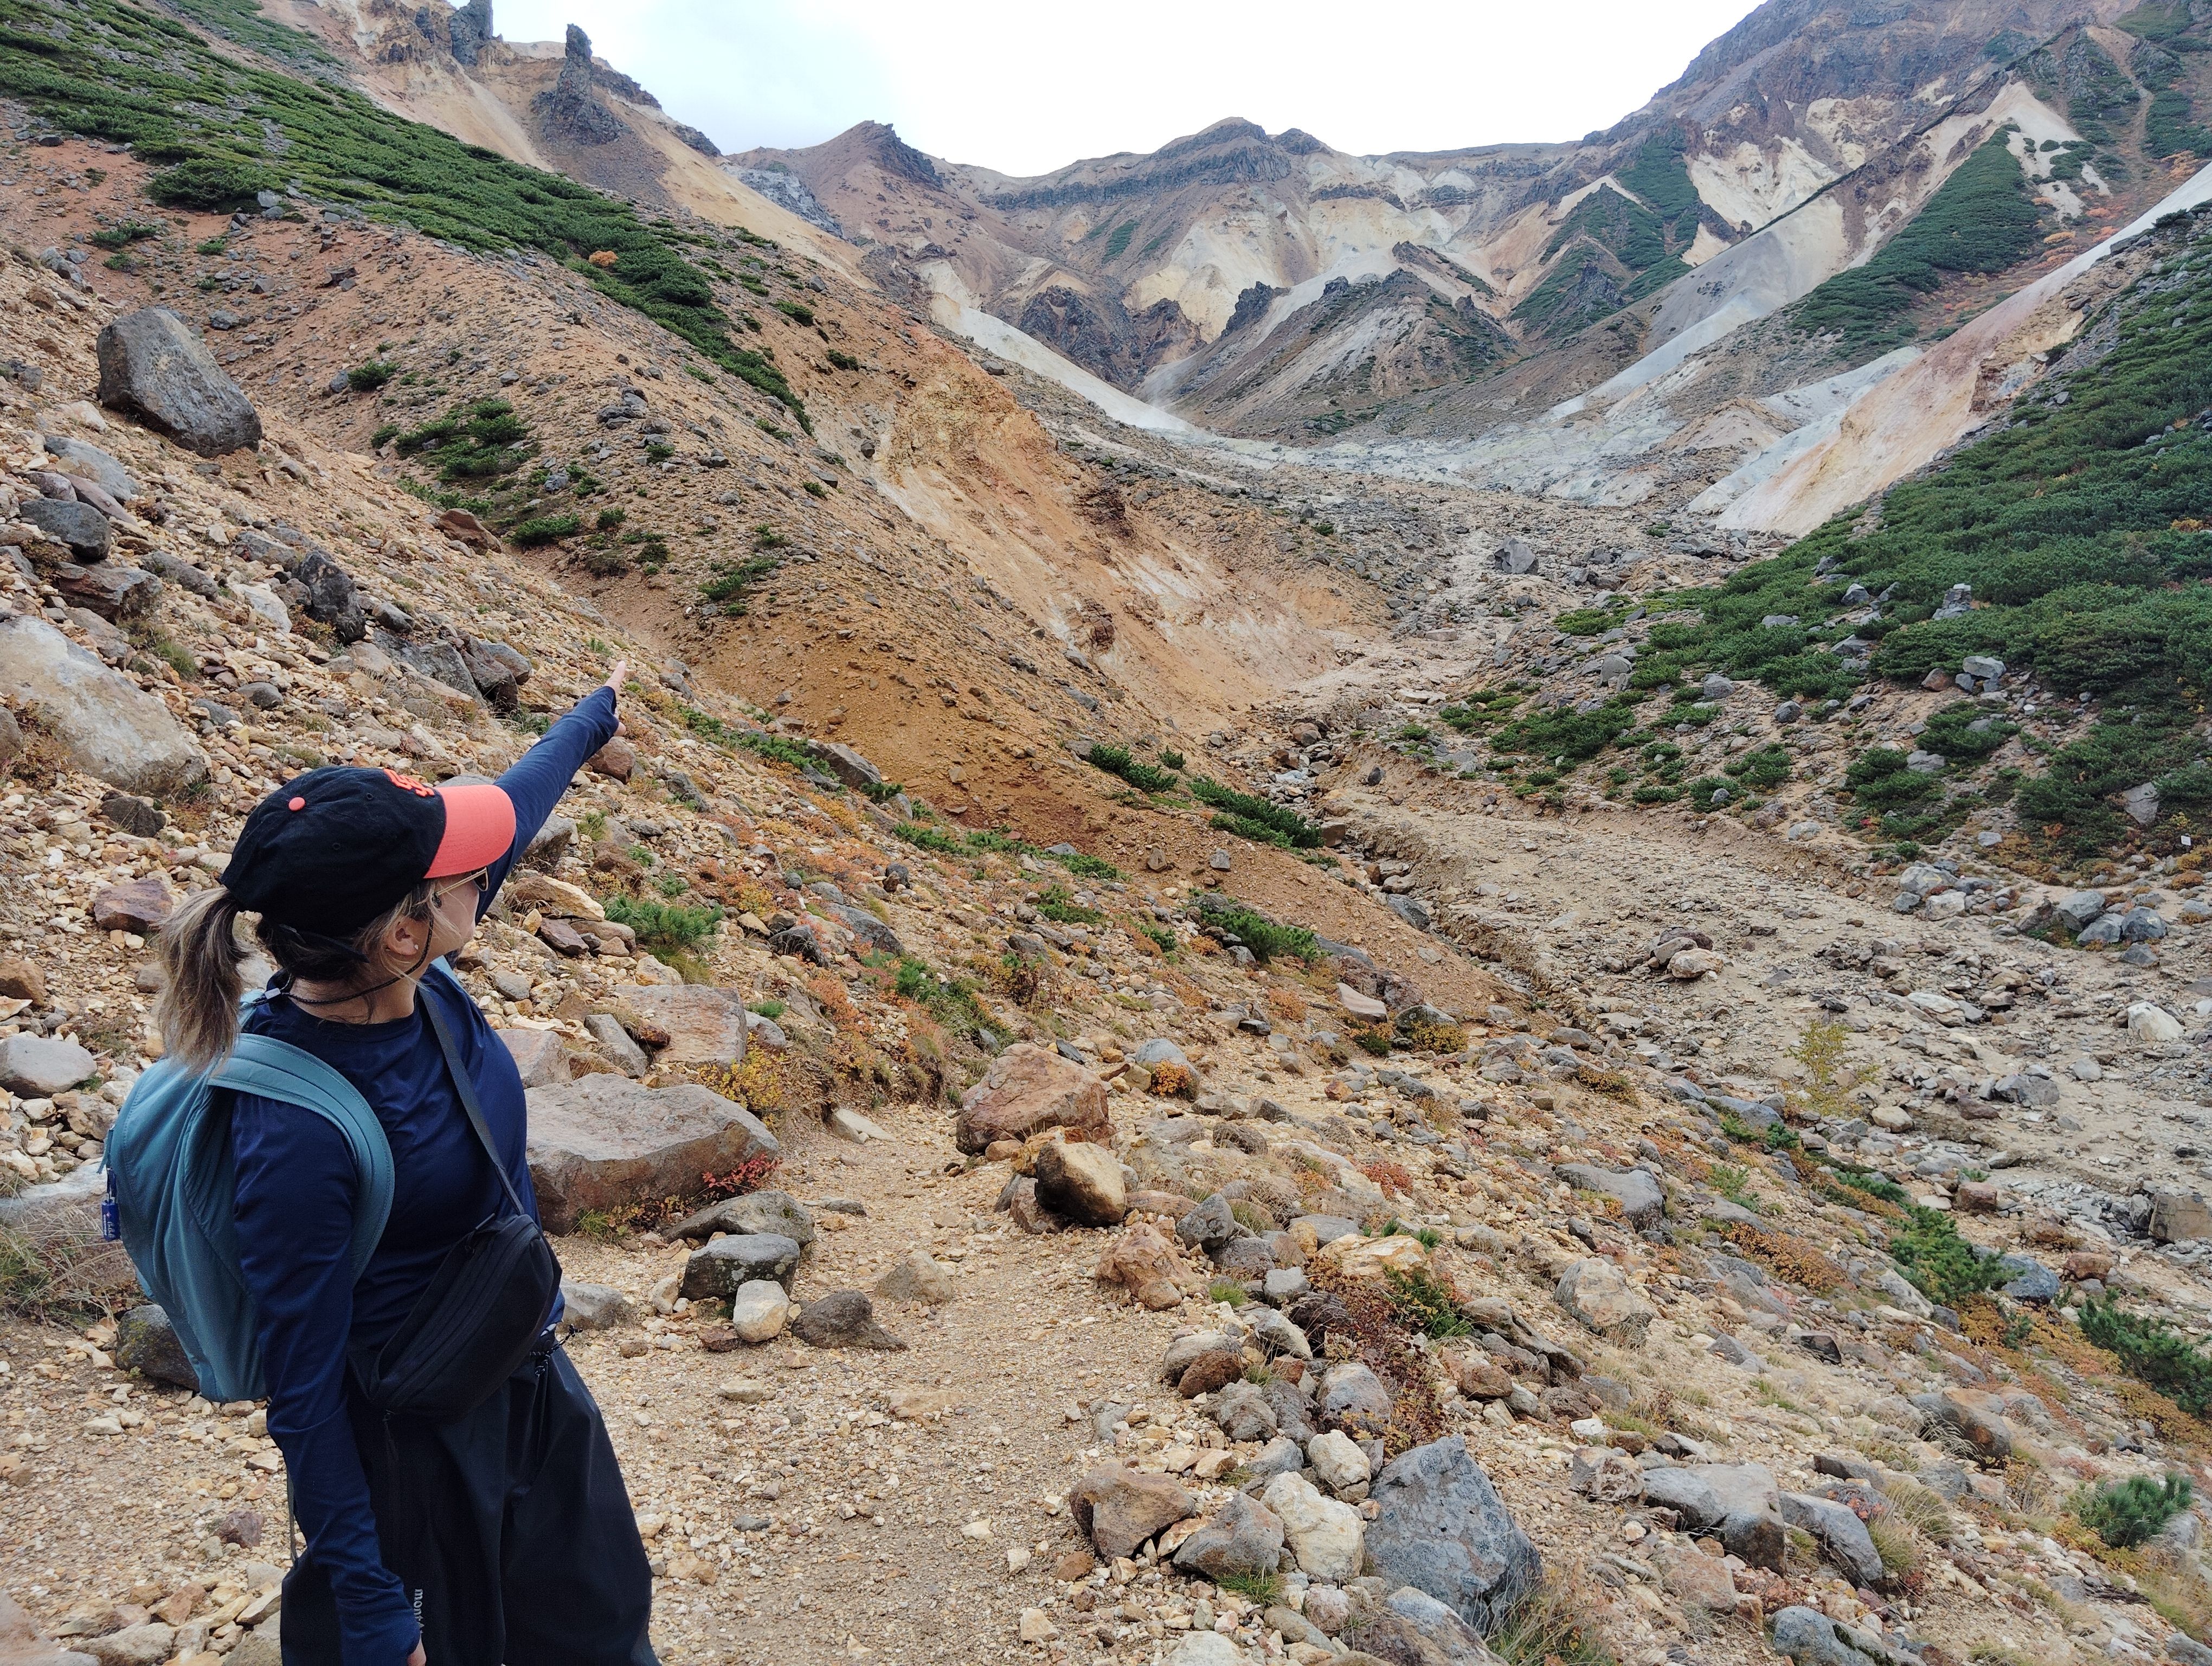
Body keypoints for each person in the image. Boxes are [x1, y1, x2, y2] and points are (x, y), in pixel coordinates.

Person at [155, 661, 658, 1666]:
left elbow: (515, 803)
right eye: (457, 869)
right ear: (402, 927)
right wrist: (378, 1609)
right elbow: (304, 1394)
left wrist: (597, 712)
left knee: (605, 1638)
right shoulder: (295, 1130)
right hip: (415, 1458)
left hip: (530, 1390)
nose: (486, 871)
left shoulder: (409, 959)